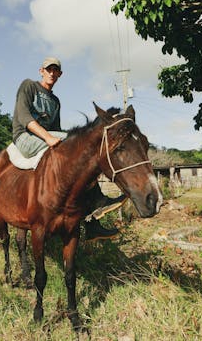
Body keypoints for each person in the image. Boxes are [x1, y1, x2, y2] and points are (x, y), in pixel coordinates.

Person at [11, 56, 125, 241]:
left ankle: (90, 220)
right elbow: (23, 117)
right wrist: (48, 137)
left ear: (60, 74)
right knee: (82, 145)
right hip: (25, 137)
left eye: (56, 70)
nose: (52, 73)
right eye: (49, 69)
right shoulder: (29, 86)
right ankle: (98, 200)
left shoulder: (55, 101)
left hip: (47, 138)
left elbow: (56, 129)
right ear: (41, 71)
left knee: (77, 156)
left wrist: (54, 138)